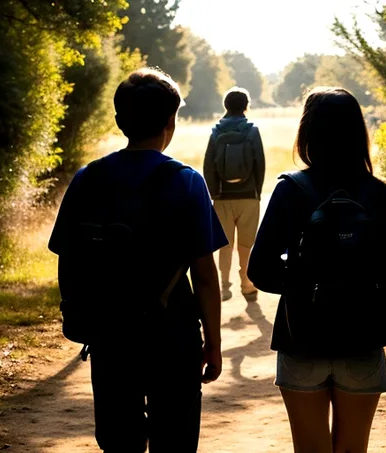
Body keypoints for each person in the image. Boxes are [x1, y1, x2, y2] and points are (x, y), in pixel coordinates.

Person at [48, 68, 227, 453]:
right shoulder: (187, 182)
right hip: (173, 333)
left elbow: (67, 256)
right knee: (175, 439)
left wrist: (79, 315)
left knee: (119, 439)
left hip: (110, 333)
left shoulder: (88, 179)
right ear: (170, 122)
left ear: (119, 121)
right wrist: (212, 343)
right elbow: (206, 277)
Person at [248, 87, 386, 453]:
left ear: (307, 132)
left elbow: (259, 270)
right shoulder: (380, 195)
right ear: (359, 132)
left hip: (301, 337)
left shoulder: (291, 190)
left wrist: (303, 284)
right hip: (363, 338)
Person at [203, 87, 265, 302]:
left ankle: (224, 285)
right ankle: (247, 284)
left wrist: (214, 194)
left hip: (222, 197)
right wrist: (256, 191)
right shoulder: (252, 130)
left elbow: (208, 166)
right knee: (246, 243)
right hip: (248, 195)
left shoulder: (216, 131)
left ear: (225, 106)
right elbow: (260, 163)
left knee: (225, 243)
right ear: (246, 105)